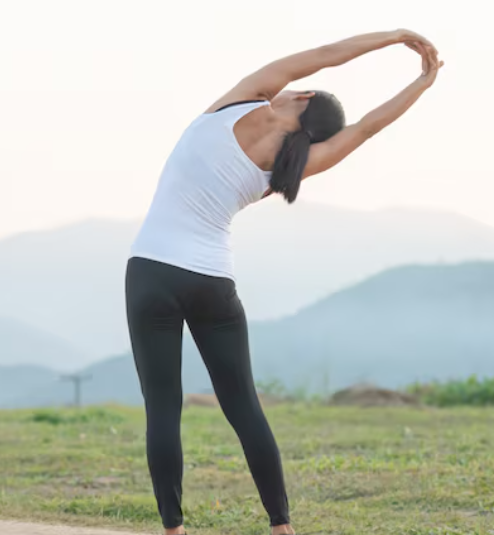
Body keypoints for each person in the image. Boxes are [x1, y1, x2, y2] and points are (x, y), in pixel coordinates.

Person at [125, 30, 442, 535]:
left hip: (151, 273)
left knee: (162, 406)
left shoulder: (242, 98)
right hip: (213, 281)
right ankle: (281, 526)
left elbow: (324, 56)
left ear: (304, 93)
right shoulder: (289, 165)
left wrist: (395, 38)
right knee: (244, 406)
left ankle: (173, 529)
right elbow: (364, 130)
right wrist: (422, 84)